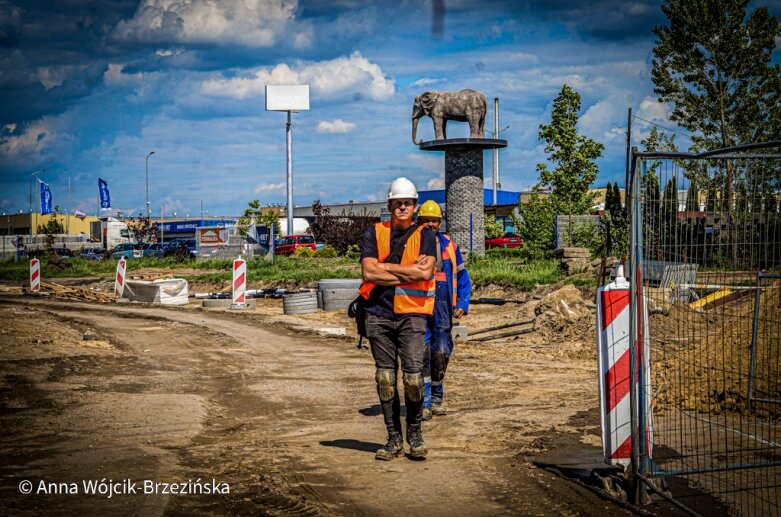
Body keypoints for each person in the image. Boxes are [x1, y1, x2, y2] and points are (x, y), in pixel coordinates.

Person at [359, 177, 436, 460]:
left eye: (407, 203)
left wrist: (387, 266)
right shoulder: (374, 232)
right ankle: (393, 439)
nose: (402, 207)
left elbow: (425, 273)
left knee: (413, 379)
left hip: (412, 315)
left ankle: (415, 435)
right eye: (397, 203)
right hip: (378, 314)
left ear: (414, 206)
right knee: (385, 378)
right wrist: (406, 270)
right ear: (390, 205)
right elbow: (369, 273)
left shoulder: (426, 234)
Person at [416, 200, 471, 420]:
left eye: (434, 220)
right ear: (419, 221)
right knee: (421, 354)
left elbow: (463, 276)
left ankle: (437, 398)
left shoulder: (449, 245)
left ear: (440, 222)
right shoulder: (412, 243)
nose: (430, 223)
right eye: (426, 220)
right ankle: (425, 401)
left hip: (442, 307)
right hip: (419, 305)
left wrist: (462, 304)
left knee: (441, 352)